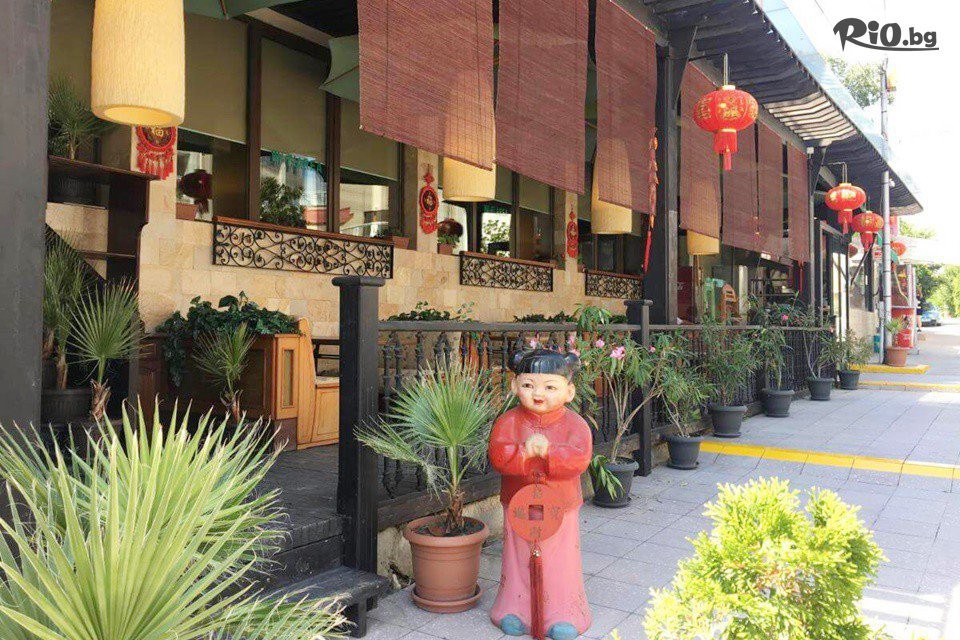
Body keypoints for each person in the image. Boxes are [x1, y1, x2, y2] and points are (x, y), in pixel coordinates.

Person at [489, 348, 593, 640]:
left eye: (550, 387)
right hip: (518, 499)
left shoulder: (575, 424)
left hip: (561, 503)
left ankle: (564, 613)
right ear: (514, 386)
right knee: (517, 555)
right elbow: (498, 456)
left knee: (560, 559)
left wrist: (550, 451)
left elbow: (580, 458)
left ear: (569, 392)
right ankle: (514, 610)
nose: (537, 394)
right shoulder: (508, 421)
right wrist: (523, 451)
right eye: (528, 385)